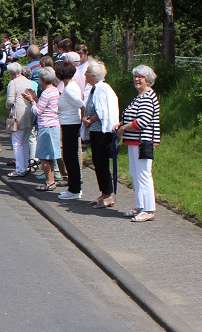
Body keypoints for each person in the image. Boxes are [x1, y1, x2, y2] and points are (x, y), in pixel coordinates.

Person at [116, 65, 161, 222]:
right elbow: (132, 115)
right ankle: (140, 206)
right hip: (134, 141)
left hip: (143, 141)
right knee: (135, 174)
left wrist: (123, 128)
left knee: (143, 174)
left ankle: (149, 210)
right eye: (135, 76)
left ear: (148, 79)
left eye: (140, 77)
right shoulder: (140, 96)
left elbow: (142, 121)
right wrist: (121, 123)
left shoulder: (148, 96)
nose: (137, 79)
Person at [82, 59, 120, 209]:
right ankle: (104, 192)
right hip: (96, 130)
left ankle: (108, 195)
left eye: (87, 72)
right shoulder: (95, 88)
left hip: (102, 131)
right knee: (98, 162)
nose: (85, 75)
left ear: (93, 75)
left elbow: (102, 111)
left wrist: (89, 120)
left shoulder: (101, 88)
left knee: (102, 163)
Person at [23, 67, 61, 190]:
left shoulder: (46, 92)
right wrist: (35, 98)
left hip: (45, 126)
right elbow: (45, 106)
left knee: (43, 156)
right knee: (50, 155)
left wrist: (31, 102)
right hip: (54, 124)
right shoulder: (55, 91)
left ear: (42, 80)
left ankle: (49, 181)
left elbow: (38, 110)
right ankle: (52, 181)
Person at [55, 61, 85, 199]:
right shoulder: (69, 86)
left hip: (71, 125)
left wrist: (84, 123)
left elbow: (81, 105)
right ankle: (73, 187)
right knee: (69, 156)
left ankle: (75, 189)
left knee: (70, 156)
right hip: (68, 124)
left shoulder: (69, 89)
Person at [5, 63, 34, 177]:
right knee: (25, 141)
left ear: (12, 73)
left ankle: (19, 169)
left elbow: (10, 101)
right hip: (29, 112)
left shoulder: (13, 83)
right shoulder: (28, 81)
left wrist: (8, 107)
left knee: (17, 142)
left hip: (18, 114)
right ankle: (25, 166)